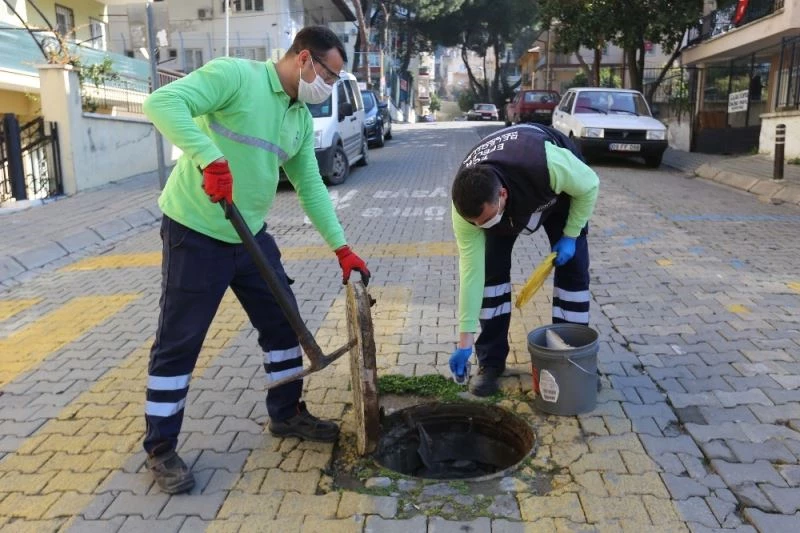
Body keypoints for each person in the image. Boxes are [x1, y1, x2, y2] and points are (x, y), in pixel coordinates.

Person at [141, 26, 370, 494]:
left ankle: (286, 414)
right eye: (329, 74)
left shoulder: (299, 119)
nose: (328, 86)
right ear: (305, 60)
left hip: (250, 236)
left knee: (283, 323)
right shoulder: (236, 76)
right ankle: (160, 448)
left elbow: (310, 188)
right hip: (195, 231)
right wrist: (209, 157)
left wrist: (341, 248)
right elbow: (161, 104)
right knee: (179, 342)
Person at [449, 124, 599, 396]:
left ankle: (574, 358)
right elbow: (472, 273)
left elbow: (589, 185)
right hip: (509, 201)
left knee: (573, 273)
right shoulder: (468, 211)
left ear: (502, 196)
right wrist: (464, 340)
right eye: (476, 224)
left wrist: (571, 235)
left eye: (486, 220)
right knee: (491, 276)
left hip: (558, 194)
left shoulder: (547, 163)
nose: (481, 227)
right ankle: (490, 362)